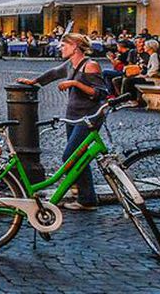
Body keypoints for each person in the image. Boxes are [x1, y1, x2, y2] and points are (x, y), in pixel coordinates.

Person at [17, 33, 109, 211]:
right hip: (73, 115)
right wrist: (34, 81)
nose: (60, 48)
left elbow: (101, 93)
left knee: (71, 156)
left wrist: (75, 83)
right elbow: (53, 73)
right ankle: (86, 197)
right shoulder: (69, 64)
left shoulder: (90, 66)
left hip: (88, 118)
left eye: (64, 45)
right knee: (80, 157)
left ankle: (83, 195)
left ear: (75, 46)